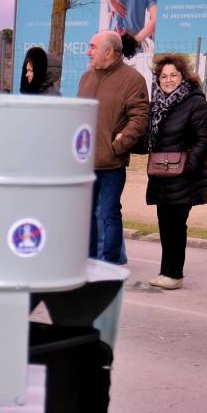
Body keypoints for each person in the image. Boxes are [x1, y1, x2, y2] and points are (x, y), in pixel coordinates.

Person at [132, 54, 207, 289]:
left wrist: (187, 166)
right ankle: (167, 272)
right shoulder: (157, 104)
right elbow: (148, 140)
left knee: (175, 224)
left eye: (173, 75)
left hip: (185, 177)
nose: (168, 80)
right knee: (165, 224)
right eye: (164, 76)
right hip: (161, 176)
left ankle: (173, 274)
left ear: (183, 76)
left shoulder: (195, 102)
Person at [78, 30, 149, 265]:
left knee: (109, 214)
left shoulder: (132, 79)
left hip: (111, 162)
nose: (88, 51)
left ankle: (110, 264)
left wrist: (119, 144)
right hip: (84, 163)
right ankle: (88, 262)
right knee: (85, 215)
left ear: (108, 51)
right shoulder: (87, 78)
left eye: (92, 46)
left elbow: (139, 117)